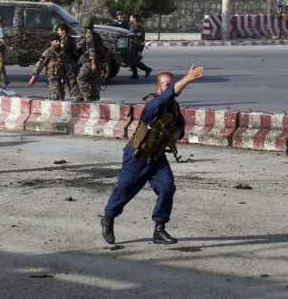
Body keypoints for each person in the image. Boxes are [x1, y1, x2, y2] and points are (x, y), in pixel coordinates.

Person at [101, 64, 204, 245]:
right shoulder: (153, 104)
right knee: (124, 192)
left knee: (167, 188)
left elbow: (180, 124)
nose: (172, 88)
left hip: (157, 157)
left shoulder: (173, 106)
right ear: (158, 89)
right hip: (137, 156)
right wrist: (186, 79)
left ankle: (159, 230)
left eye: (173, 84)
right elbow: (167, 96)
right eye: (167, 85)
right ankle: (108, 218)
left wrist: (177, 134)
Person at [28, 33, 66, 100]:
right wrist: (34, 77)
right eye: (56, 41)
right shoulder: (48, 52)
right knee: (55, 96)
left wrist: (68, 72)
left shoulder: (61, 52)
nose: (58, 43)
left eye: (59, 41)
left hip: (60, 77)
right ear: (52, 42)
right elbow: (40, 64)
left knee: (61, 96)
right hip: (51, 77)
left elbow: (67, 63)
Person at [77, 17, 104, 101]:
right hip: (99, 62)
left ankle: (88, 96)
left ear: (85, 26)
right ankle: (95, 97)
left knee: (81, 78)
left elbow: (91, 50)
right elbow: (102, 50)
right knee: (94, 81)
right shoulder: (97, 35)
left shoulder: (89, 36)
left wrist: (93, 63)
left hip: (91, 62)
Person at [56, 23, 83, 101]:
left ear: (63, 31)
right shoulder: (69, 38)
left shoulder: (65, 39)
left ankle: (81, 100)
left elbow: (62, 52)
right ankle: (60, 99)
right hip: (70, 64)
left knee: (72, 84)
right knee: (62, 84)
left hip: (68, 65)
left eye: (59, 30)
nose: (58, 32)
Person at [128, 14, 152, 79]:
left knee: (133, 60)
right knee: (133, 59)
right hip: (139, 44)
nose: (129, 19)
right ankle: (135, 74)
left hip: (136, 45)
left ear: (134, 19)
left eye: (130, 18)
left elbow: (129, 34)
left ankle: (147, 69)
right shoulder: (139, 25)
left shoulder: (135, 25)